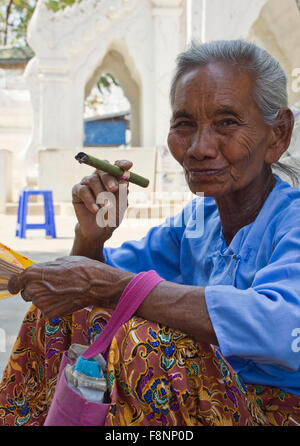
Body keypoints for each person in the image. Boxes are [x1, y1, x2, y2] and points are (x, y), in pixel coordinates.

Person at [1, 39, 300, 426]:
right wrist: (92, 238)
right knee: (57, 314)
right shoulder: (196, 222)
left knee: (144, 348)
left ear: (278, 135)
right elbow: (90, 294)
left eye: (227, 122)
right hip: (206, 402)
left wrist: (111, 286)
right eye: (184, 124)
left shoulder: (292, 222)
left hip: (275, 413)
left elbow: (280, 325)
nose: (199, 147)